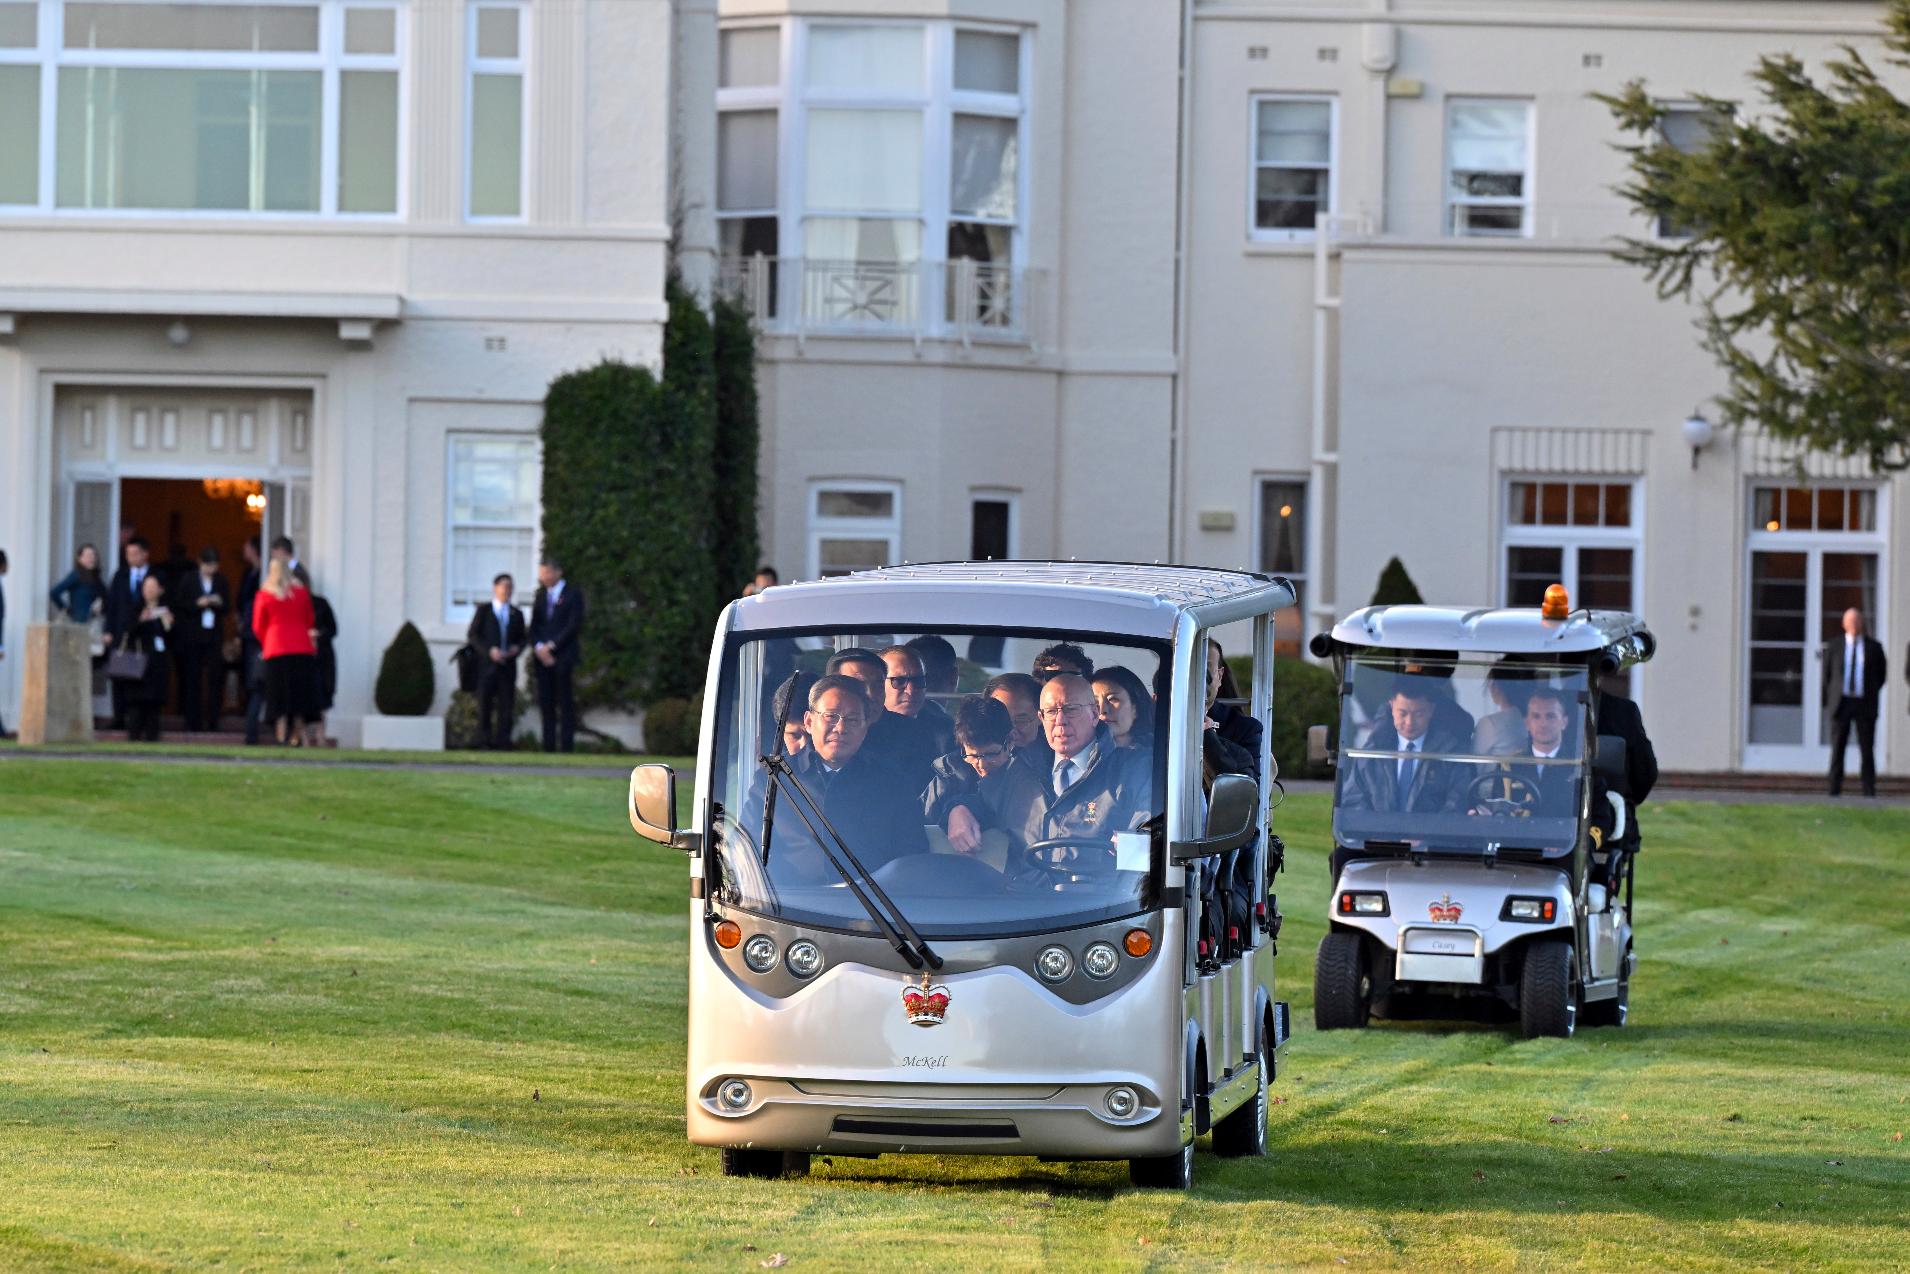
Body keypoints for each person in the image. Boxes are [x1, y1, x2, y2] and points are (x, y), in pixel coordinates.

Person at [750, 675, 929, 879]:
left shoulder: (893, 783)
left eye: (852, 719)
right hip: (791, 905)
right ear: (809, 721)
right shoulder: (774, 778)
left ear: (865, 727)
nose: (840, 728)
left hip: (873, 906)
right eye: (831, 716)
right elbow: (749, 851)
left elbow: (911, 859)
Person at [1001, 672, 1153, 848]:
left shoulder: (1135, 770)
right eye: (1051, 712)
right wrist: (962, 809)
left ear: (1095, 715)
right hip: (1028, 875)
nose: (1060, 721)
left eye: (1071, 709)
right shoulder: (1021, 768)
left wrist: (1126, 847)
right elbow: (985, 805)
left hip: (1104, 876)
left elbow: (1152, 844)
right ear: (1041, 719)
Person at [921, 695, 1048, 858]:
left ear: (1010, 741)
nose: (981, 765)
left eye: (990, 754)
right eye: (972, 756)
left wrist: (962, 807)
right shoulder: (948, 775)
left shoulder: (1030, 776)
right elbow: (920, 821)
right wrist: (951, 812)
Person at [1340, 679, 1469, 814]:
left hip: (1430, 834)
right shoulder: (1372, 753)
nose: (1409, 722)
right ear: (1391, 707)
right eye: (1403, 713)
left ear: (1431, 710)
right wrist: (1373, 833)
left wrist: (1425, 835)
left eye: (1419, 714)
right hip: (1378, 834)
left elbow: (1457, 804)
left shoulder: (1451, 753)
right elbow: (1353, 802)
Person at [828, 647, 939, 785]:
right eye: (858, 684)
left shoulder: (916, 737)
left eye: (878, 684)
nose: (871, 694)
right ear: (831, 689)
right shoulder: (816, 733)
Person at [252, 559, 318, 746]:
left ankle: (281, 736)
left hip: (276, 647)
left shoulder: (264, 595)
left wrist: (267, 641)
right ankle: (301, 737)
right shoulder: (301, 593)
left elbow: (258, 626)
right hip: (301, 647)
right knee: (299, 697)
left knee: (278, 698)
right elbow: (309, 620)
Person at [1824, 606, 1886, 798]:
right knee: (1837, 748)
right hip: (1841, 703)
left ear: (1862, 623)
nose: (1854, 625)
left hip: (1864, 704)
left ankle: (1869, 790)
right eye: (1850, 621)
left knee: (1867, 749)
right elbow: (1827, 676)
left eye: (1857, 621)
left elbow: (1881, 676)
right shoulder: (1834, 646)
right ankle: (1834, 789)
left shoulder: (1874, 647)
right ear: (1844, 624)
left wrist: (1869, 692)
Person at [171, 547, 231, 732]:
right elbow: (179, 604)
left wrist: (217, 603)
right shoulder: (188, 580)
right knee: (193, 679)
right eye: (207, 565)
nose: (211, 569)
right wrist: (197, 604)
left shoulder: (221, 581)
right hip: (193, 635)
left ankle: (213, 719)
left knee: (215, 678)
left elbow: (228, 605)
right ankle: (192, 721)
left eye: (214, 565)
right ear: (200, 563)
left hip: (213, 635)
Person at [529, 558, 584, 752]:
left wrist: (552, 646)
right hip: (542, 658)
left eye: (547, 572)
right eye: (541, 573)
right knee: (546, 701)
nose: (543, 577)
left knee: (565, 701)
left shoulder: (573, 594)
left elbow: (573, 625)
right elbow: (535, 625)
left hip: (563, 656)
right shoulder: (540, 596)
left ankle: (566, 746)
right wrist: (539, 647)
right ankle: (548, 745)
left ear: (558, 572)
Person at [466, 572, 526, 750]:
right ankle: (483, 740)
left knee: (506, 705)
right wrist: (488, 651)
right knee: (485, 704)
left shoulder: (516, 613)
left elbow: (523, 638)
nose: (507, 590)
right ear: (495, 588)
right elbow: (473, 635)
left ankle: (503, 741)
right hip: (487, 667)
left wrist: (517, 649)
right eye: (504, 586)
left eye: (510, 587)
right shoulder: (484, 611)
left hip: (507, 667)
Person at [103, 536, 154, 730]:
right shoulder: (120, 575)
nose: (130, 557)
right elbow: (112, 605)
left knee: (141, 675)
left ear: (144, 554)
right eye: (128, 554)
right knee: (119, 674)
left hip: (144, 634)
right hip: (121, 633)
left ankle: (139, 719)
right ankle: (119, 717)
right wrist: (108, 630)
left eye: (134, 553)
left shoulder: (155, 575)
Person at [121, 573, 175, 742]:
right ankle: (133, 736)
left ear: (160, 590)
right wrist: (141, 620)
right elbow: (128, 632)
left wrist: (169, 622)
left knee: (154, 704)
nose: (149, 591)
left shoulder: (165, 609)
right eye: (146, 587)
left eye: (153, 587)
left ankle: (152, 737)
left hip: (158, 661)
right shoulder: (136, 608)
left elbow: (172, 636)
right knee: (136, 704)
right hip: (139, 660)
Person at [879, 644, 955, 755]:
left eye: (919, 680)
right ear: (878, 684)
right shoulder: (860, 728)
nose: (911, 690)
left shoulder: (945, 729)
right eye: (899, 681)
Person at [292, 566, 337, 747]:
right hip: (301, 656)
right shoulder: (290, 607)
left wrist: (318, 634)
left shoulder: (320, 603)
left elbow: (333, 629)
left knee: (323, 697)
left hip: (321, 656)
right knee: (301, 698)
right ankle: (303, 738)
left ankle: (320, 736)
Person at [985, 671, 1053, 770]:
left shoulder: (1058, 762)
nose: (1011, 731)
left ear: (1041, 717)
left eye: (1021, 720)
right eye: (1001, 719)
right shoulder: (968, 762)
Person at [237, 538, 265, 745]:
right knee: (254, 684)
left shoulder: (261, 596)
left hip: (260, 642)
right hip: (253, 639)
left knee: (257, 685)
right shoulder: (249, 575)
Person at [1091, 664, 1154, 752]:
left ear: (1135, 708)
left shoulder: (1154, 757)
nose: (1102, 710)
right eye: (1095, 702)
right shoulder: (1077, 758)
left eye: (1113, 699)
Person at [1471, 666, 1530, 756]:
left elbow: (1474, 764)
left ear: (1497, 686)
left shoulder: (1489, 723)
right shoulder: (1531, 720)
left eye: (1492, 683)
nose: (1490, 688)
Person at [49, 544, 107, 625]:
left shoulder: (96, 577)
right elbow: (54, 592)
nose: (91, 558)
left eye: (93, 555)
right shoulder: (76, 575)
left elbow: (105, 597)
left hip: (95, 622)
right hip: (80, 622)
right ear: (79, 558)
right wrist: (67, 610)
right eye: (87, 555)